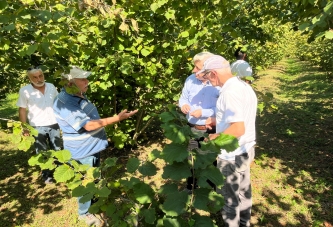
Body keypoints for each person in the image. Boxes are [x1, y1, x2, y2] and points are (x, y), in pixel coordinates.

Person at [53, 66, 138, 227]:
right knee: (85, 183)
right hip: (82, 151)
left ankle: (95, 200)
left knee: (94, 178)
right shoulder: (65, 102)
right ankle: (84, 213)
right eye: (83, 79)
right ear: (70, 82)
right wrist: (117, 118)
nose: (87, 82)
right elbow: (89, 125)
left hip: (92, 147)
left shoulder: (77, 94)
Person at [197, 55, 257, 227]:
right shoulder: (243, 86)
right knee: (244, 192)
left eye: (207, 76)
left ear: (214, 73)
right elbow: (241, 115)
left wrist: (214, 137)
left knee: (229, 199)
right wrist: (218, 120)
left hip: (231, 155)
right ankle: (244, 223)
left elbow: (238, 128)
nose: (208, 81)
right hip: (246, 148)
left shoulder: (229, 93)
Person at [178, 52, 221, 192]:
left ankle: (209, 191)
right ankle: (191, 187)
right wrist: (183, 105)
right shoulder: (190, 79)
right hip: (192, 129)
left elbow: (223, 109)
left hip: (210, 130)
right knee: (192, 158)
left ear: (209, 68)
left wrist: (204, 112)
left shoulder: (219, 84)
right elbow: (183, 98)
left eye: (197, 68)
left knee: (209, 160)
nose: (193, 71)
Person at [16, 67, 62, 184]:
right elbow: (22, 110)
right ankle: (47, 175)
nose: (39, 79)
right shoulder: (25, 91)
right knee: (42, 152)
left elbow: (58, 103)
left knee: (57, 149)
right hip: (37, 126)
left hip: (54, 123)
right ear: (29, 78)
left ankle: (59, 172)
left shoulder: (51, 87)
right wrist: (24, 127)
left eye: (40, 75)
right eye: (35, 77)